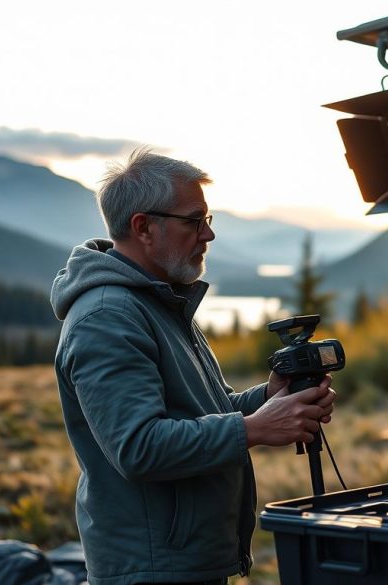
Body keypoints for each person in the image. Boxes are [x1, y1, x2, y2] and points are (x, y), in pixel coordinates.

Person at [50, 148, 336, 585]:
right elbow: (140, 446)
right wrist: (255, 428)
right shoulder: (107, 316)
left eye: (209, 220)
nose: (208, 235)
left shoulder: (158, 300)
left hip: (183, 560)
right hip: (151, 568)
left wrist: (268, 398)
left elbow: (197, 412)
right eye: (194, 221)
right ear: (144, 227)